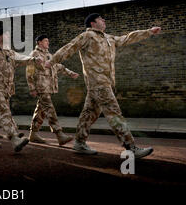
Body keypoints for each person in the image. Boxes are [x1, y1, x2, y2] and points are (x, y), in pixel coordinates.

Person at [49, 13, 161, 159]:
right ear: (92, 23)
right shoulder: (87, 36)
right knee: (114, 113)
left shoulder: (109, 38)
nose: (104, 20)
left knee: (89, 114)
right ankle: (130, 147)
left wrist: (148, 32)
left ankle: (79, 142)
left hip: (104, 83)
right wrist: (51, 61)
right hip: (98, 83)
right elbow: (69, 48)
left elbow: (127, 38)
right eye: (101, 19)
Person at [26, 34, 79, 145]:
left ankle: (33, 134)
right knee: (50, 109)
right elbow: (29, 72)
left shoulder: (50, 55)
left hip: (49, 87)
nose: (48, 43)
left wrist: (70, 73)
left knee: (41, 111)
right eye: (46, 41)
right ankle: (59, 134)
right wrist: (32, 88)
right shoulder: (34, 54)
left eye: (48, 41)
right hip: (41, 86)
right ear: (39, 42)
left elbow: (58, 66)